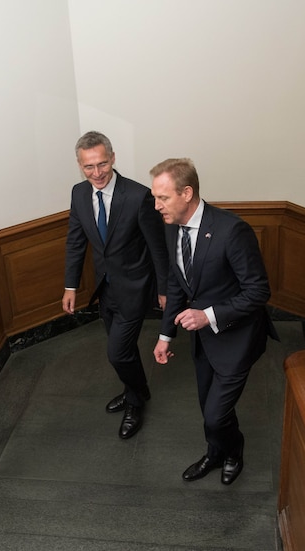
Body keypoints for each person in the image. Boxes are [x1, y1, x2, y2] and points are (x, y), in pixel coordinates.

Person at [150, 158, 277, 485]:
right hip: (203, 341)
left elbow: (258, 291)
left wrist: (207, 316)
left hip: (237, 338)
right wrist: (165, 336)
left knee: (215, 413)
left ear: (187, 193)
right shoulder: (171, 227)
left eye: (162, 198)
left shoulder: (232, 231)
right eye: (155, 197)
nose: (156, 206)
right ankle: (215, 452)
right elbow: (177, 283)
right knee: (209, 406)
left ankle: (234, 451)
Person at [63, 131, 169, 440]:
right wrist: (70, 286)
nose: (96, 173)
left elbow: (157, 248)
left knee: (117, 353)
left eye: (102, 164)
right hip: (104, 289)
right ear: (80, 165)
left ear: (113, 159)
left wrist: (165, 291)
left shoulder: (138, 196)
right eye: (88, 167)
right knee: (123, 349)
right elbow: (75, 241)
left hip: (136, 287)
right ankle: (133, 388)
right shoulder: (79, 194)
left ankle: (136, 400)